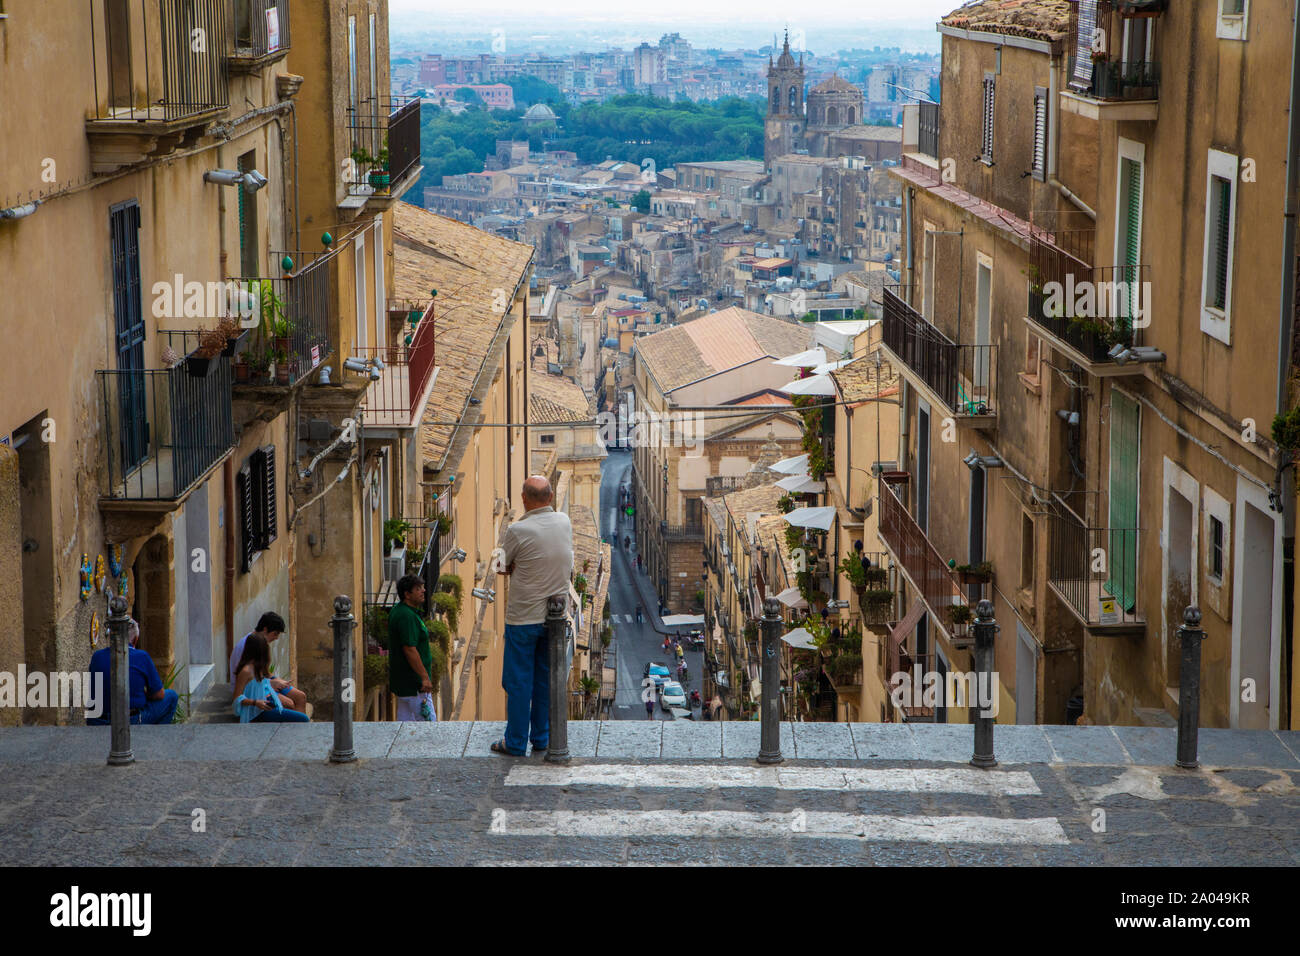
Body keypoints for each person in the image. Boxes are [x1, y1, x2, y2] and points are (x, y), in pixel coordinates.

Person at [492, 475, 574, 756]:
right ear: (550, 498)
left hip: (523, 618)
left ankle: (514, 742)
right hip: (555, 619)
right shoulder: (564, 522)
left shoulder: (517, 530)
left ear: (524, 499)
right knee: (543, 681)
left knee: (517, 683)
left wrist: (515, 565)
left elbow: (498, 566)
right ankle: (541, 738)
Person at [87, 618, 178, 725]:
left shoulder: (97, 656)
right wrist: (143, 695)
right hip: (130, 720)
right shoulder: (142, 657)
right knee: (171, 696)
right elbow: (159, 694)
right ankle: (156, 738)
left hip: (97, 720)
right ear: (135, 640)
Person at [228, 611, 307, 713]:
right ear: (265, 629)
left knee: (301, 697)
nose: (276, 638)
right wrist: (271, 683)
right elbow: (246, 679)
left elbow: (263, 671)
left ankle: (301, 728)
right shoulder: (247, 645)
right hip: (251, 689)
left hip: (264, 682)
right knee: (289, 704)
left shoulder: (261, 643)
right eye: (275, 634)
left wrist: (277, 679)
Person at [388, 574, 437, 722]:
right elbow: (409, 649)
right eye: (418, 589)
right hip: (414, 684)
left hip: (405, 684)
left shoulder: (400, 611)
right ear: (407, 594)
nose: (423, 591)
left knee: (405, 725)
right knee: (428, 725)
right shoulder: (406, 616)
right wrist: (424, 677)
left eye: (422, 587)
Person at [232, 633, 310, 723]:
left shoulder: (258, 667)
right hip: (256, 712)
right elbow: (237, 698)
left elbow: (261, 684)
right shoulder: (245, 671)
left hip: (265, 706)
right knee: (303, 719)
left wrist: (275, 683)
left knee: (294, 706)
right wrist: (255, 702)